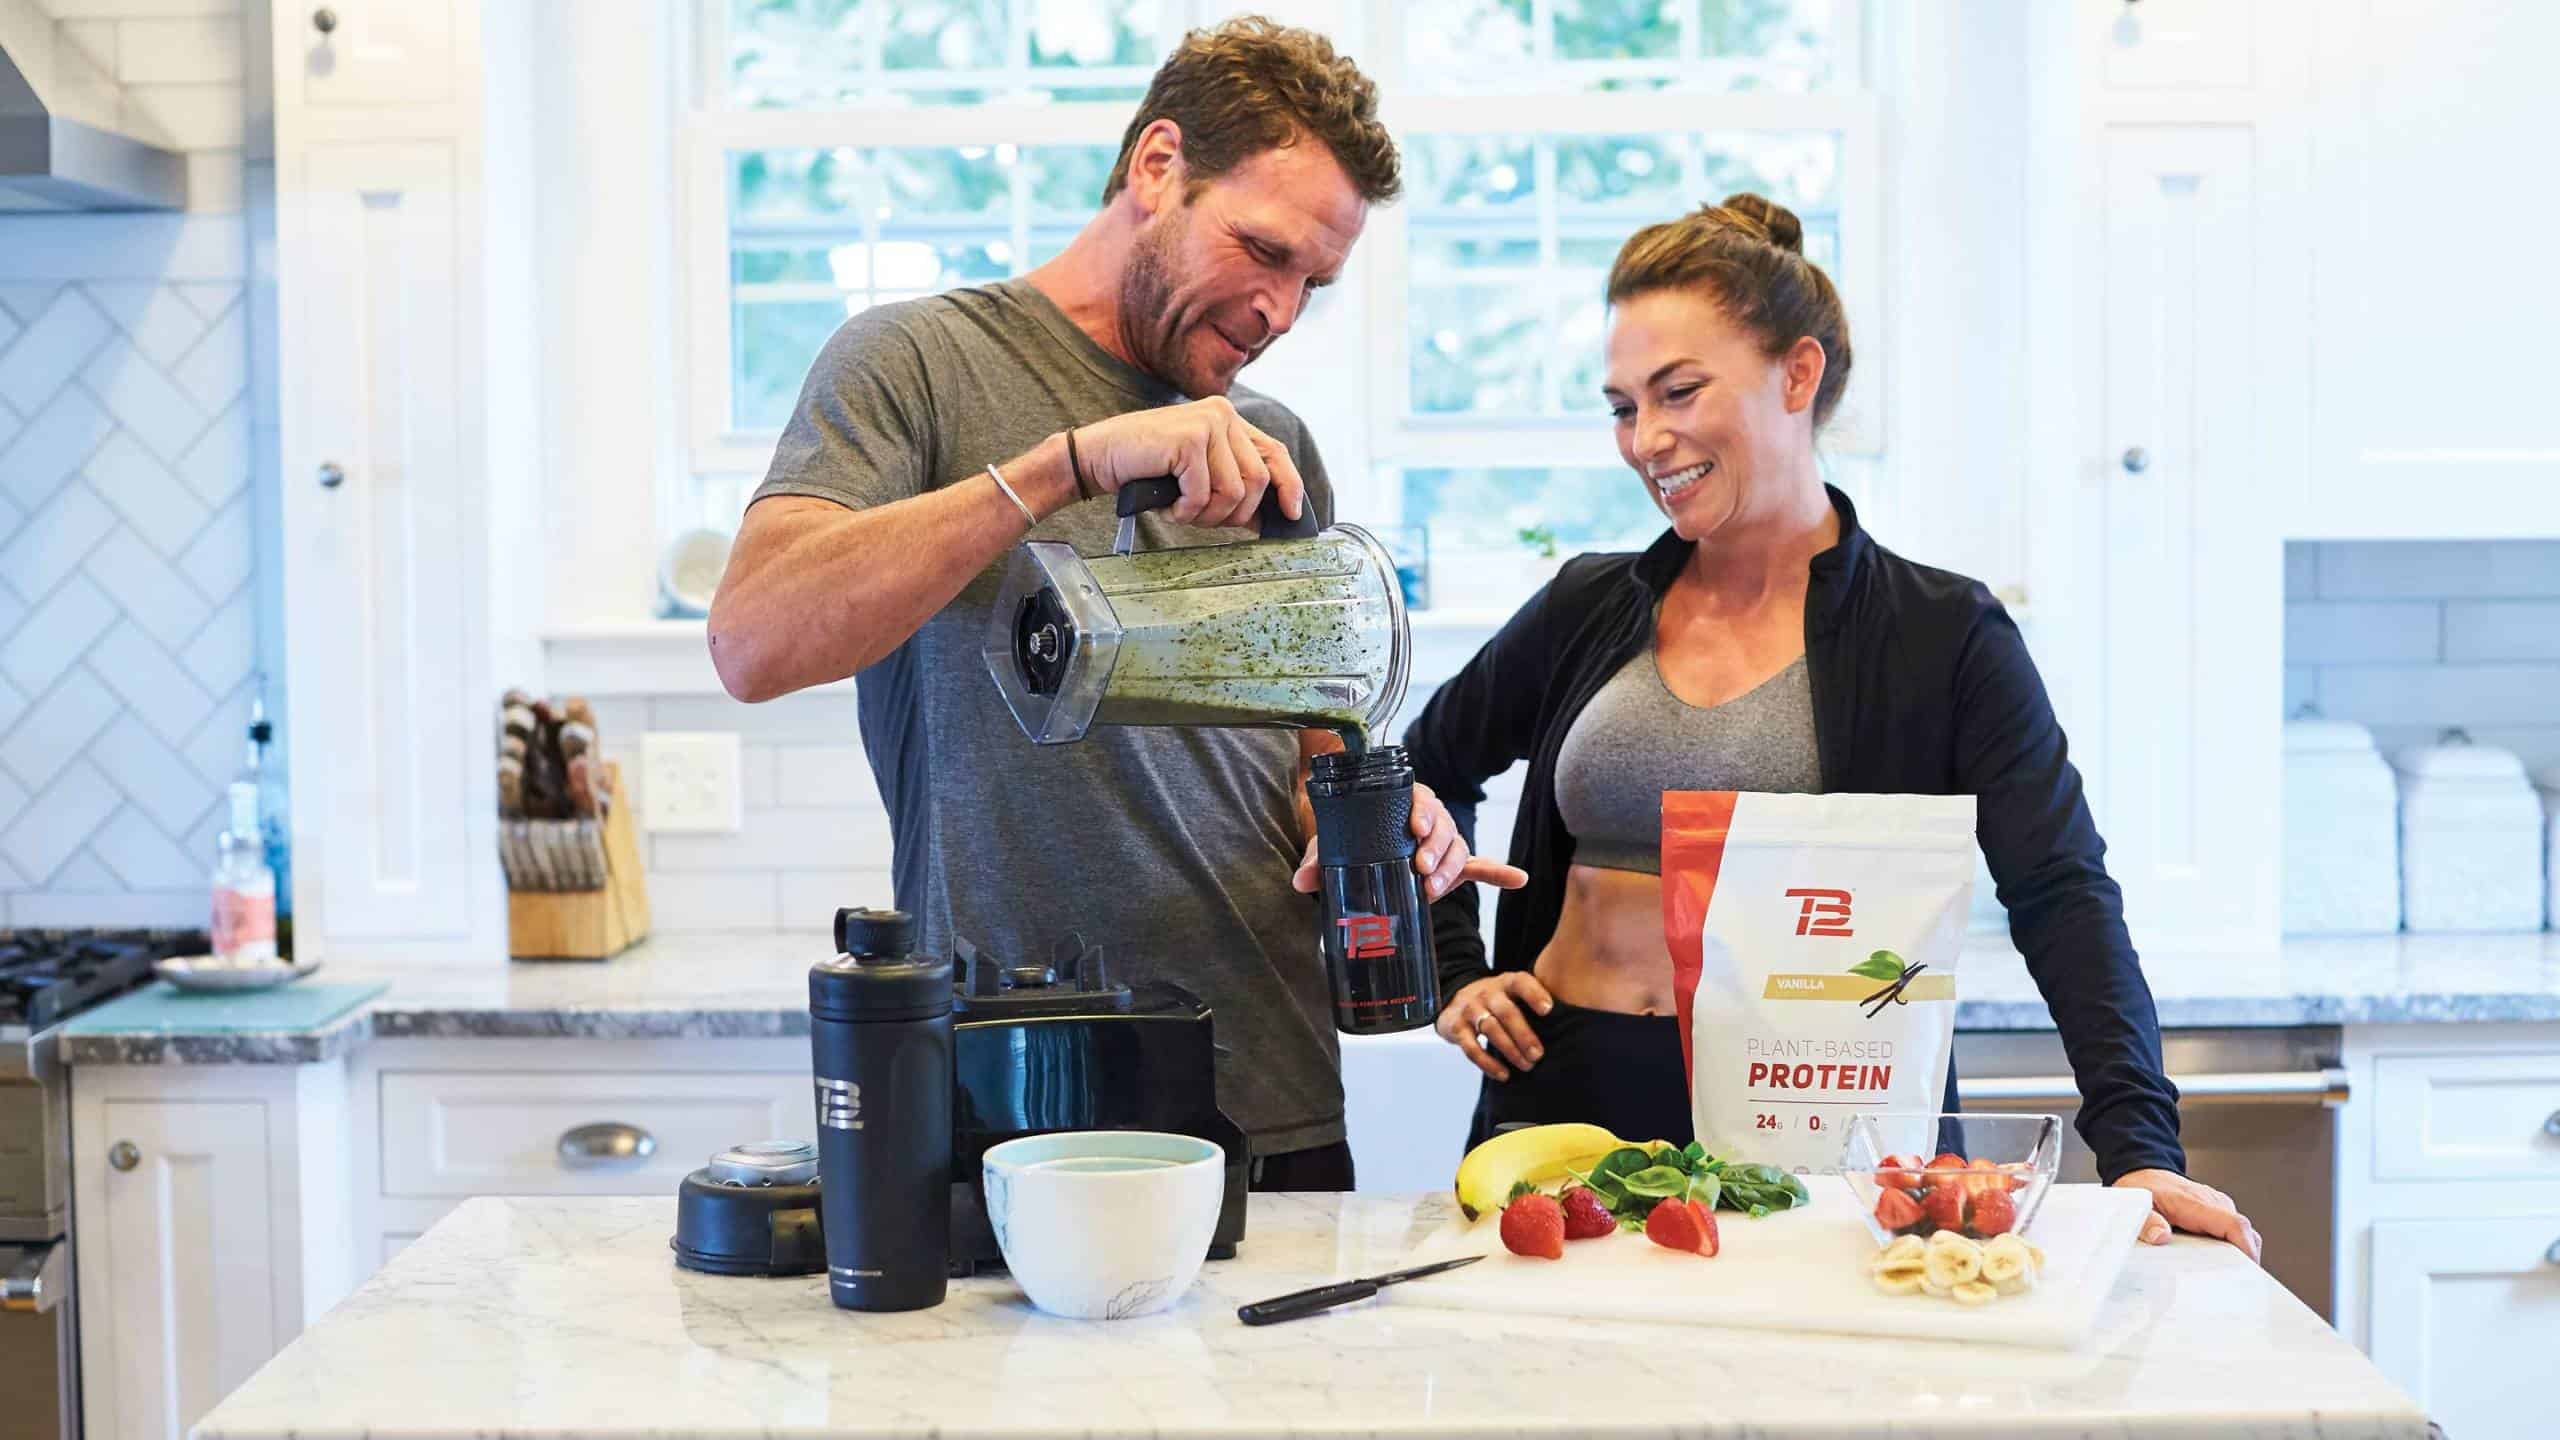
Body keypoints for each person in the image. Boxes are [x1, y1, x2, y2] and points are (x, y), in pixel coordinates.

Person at [707, 18, 1521, 1193]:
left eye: (1312, 283)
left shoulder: (1272, 445)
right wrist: (1066, 465)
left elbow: (1306, 764)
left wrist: (1381, 825)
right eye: (1262, 249)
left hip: (1268, 1097)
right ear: (1156, 169)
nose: (1279, 311)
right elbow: (753, 640)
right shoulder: (914, 364)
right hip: (1015, 1095)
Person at [1403, 194, 2261, 1257]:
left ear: (1796, 376)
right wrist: (1451, 973)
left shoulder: (1941, 634)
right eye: (1623, 406)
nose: (1646, 440)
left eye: (1678, 392)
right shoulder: (1589, 603)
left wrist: (2141, 1151)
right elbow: (1421, 773)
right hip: (1564, 1102)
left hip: (1822, 1125)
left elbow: (2060, 892)